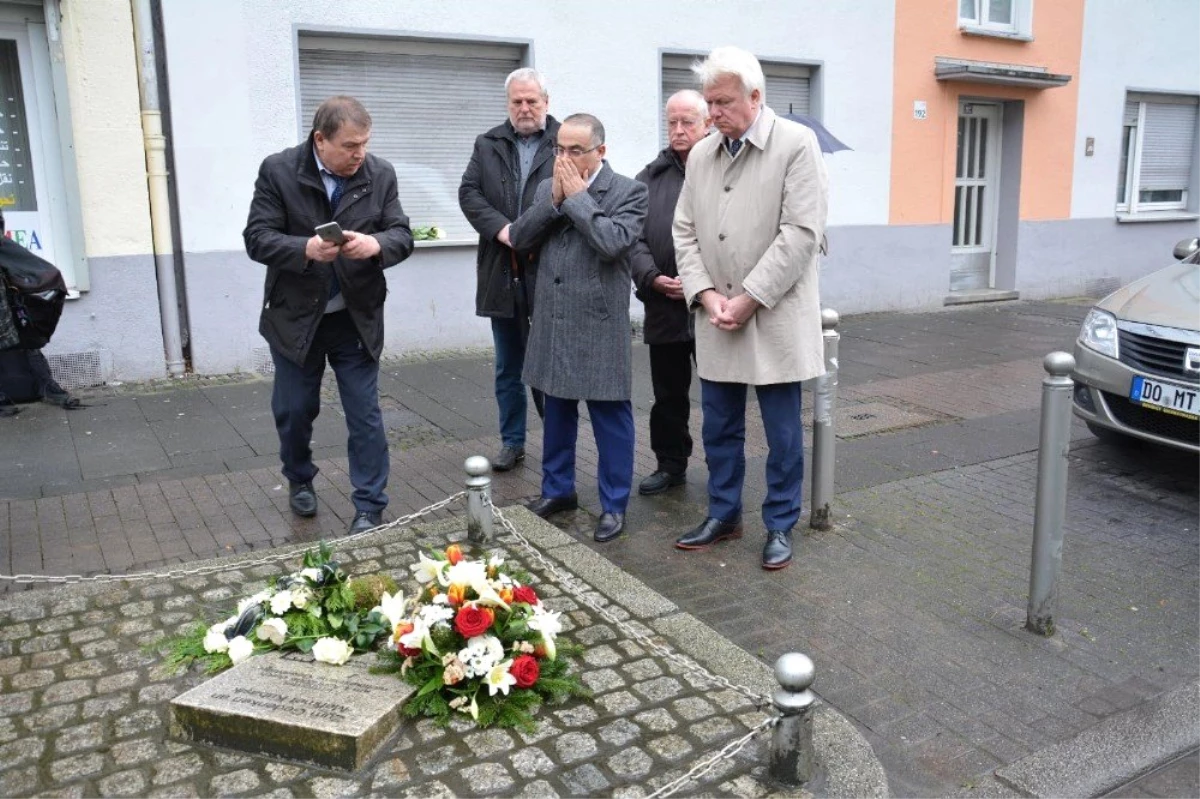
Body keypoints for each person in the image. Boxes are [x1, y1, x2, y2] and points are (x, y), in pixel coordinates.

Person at [673, 47, 829, 570]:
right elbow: (685, 231)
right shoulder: (701, 154)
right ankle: (724, 514)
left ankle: (780, 523)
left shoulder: (796, 144)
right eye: (709, 102)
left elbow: (802, 233)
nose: (712, 113)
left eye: (723, 102)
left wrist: (748, 299)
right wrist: (707, 294)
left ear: (755, 97)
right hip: (717, 315)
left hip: (774, 314)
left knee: (782, 434)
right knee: (719, 427)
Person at [244, 95, 414, 535]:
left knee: (365, 414)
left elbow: (401, 233)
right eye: (350, 146)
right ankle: (299, 477)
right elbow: (257, 238)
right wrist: (304, 249)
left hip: (355, 317)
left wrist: (378, 246)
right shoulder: (279, 171)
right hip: (296, 318)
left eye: (365, 144)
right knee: (296, 409)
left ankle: (370, 505)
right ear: (320, 140)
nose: (360, 154)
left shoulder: (380, 174)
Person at [506, 113, 648, 543]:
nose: (563, 158)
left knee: (610, 417)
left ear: (600, 152)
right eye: (559, 149)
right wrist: (552, 201)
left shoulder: (629, 191)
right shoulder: (546, 186)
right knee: (557, 412)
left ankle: (614, 504)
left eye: (575, 151)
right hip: (553, 318)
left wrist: (578, 198)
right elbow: (520, 236)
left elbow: (613, 243)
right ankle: (557, 490)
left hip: (598, 323)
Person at [459, 68, 561, 473]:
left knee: (550, 364)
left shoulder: (565, 142)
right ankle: (513, 441)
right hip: (502, 270)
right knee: (508, 366)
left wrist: (532, 233)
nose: (524, 108)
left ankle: (557, 440)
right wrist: (504, 231)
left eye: (532, 101)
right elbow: (469, 193)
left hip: (549, 269)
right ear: (508, 104)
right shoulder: (487, 144)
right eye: (517, 101)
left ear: (546, 102)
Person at [630, 90, 711, 496]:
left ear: (707, 123)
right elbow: (633, 238)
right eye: (673, 123)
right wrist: (651, 277)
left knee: (718, 396)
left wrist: (703, 285)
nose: (678, 131)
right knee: (667, 397)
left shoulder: (719, 169)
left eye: (687, 123)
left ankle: (723, 467)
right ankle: (670, 464)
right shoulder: (649, 178)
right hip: (663, 305)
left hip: (712, 307)